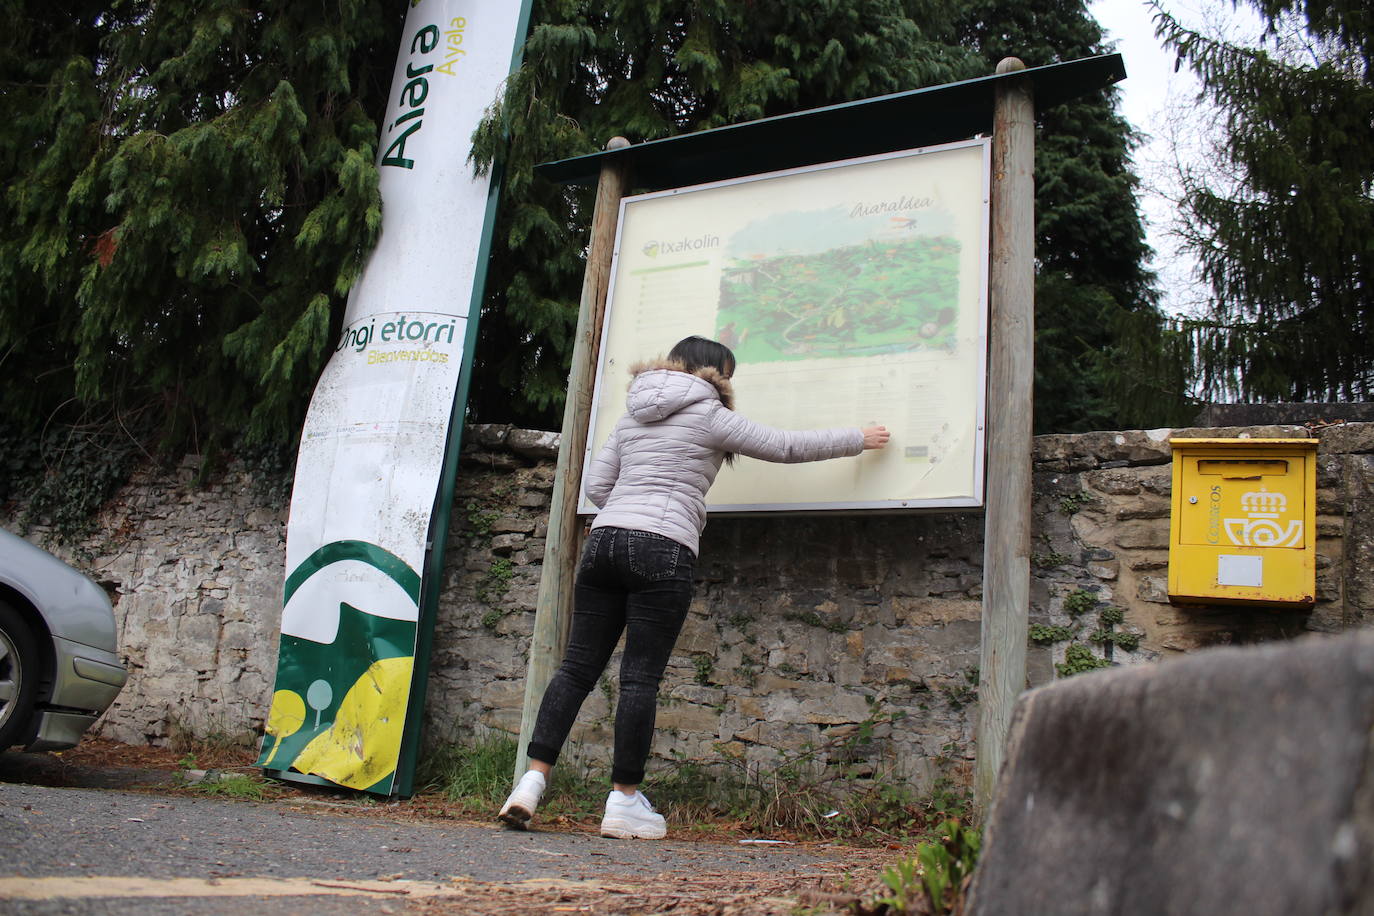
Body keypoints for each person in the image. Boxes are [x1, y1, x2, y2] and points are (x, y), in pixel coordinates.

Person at [499, 335, 890, 839]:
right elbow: (786, 447)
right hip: (663, 546)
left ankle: (531, 783)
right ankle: (623, 802)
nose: (728, 383)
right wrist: (858, 437)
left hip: (605, 542)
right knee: (639, 679)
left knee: (576, 669)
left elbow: (597, 488)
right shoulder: (709, 413)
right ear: (711, 372)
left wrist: (629, 504)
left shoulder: (632, 414)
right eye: (727, 374)